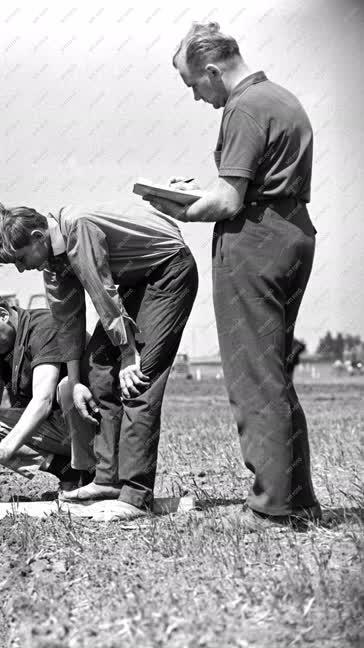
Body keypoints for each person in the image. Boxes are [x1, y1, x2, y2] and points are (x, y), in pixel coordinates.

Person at [151, 21, 320, 527]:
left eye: (193, 86)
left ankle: (271, 507)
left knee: (253, 377)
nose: (197, 98)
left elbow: (228, 199)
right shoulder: (281, 98)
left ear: (210, 70)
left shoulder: (243, 107)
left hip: (256, 241)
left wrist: (177, 207)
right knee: (275, 374)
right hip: (292, 232)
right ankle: (298, 498)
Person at [0, 196, 198, 521]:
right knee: (97, 371)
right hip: (133, 284)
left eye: (20, 258)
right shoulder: (53, 263)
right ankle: (108, 480)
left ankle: (135, 494)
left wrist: (129, 353)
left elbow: (102, 291)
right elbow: (67, 322)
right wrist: (73, 380)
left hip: (167, 273)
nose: (20, 268)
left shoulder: (78, 229)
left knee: (138, 379)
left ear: (37, 238)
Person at [0, 283, 97, 492]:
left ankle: (92, 473)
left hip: (94, 426)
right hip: (58, 429)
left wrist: (5, 448)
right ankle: (64, 469)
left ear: (2, 314)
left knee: (67, 388)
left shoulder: (44, 328)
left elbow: (43, 401)